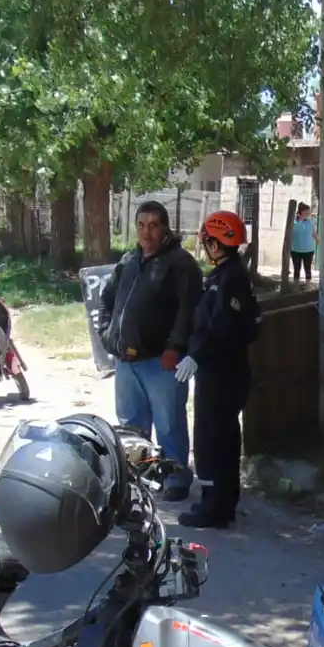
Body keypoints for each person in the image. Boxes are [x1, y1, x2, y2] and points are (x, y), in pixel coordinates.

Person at [98, 200, 202, 502]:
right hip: (127, 362)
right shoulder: (129, 260)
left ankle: (176, 478)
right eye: (141, 225)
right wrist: (108, 336)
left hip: (162, 362)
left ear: (165, 227)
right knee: (131, 425)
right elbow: (108, 299)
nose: (147, 232)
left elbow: (189, 310)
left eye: (154, 225)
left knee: (169, 423)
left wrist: (175, 346)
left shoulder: (180, 264)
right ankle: (141, 477)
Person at [174, 211, 261, 528]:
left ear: (216, 243)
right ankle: (221, 503)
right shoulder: (227, 275)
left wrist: (197, 355)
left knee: (213, 438)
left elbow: (222, 326)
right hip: (224, 372)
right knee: (223, 437)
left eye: (207, 241)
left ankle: (213, 507)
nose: (205, 247)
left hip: (221, 373)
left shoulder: (230, 279)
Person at [290, 203, 317, 283]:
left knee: (307, 269)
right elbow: (289, 236)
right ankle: (296, 287)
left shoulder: (311, 222)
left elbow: (314, 234)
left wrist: (320, 242)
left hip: (308, 250)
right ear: (301, 212)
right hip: (296, 250)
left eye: (309, 212)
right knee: (296, 269)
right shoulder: (293, 223)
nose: (309, 214)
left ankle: (308, 287)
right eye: (307, 212)